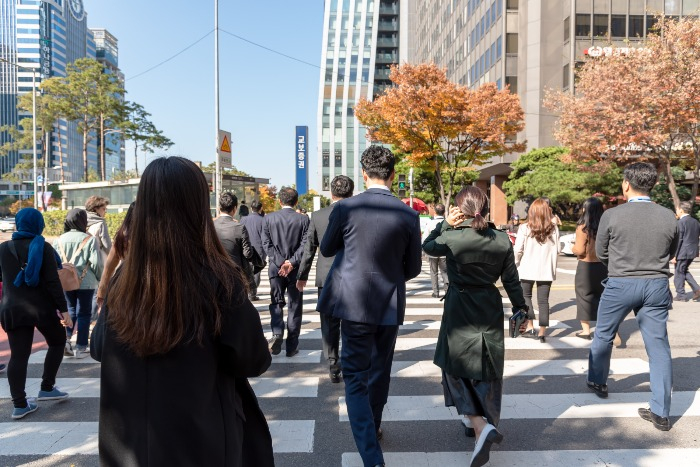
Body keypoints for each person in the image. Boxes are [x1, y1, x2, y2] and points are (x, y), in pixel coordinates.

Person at [93, 156, 273, 466]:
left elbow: (99, 348)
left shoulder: (125, 278)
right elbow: (254, 358)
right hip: (201, 442)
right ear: (198, 207)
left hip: (128, 447)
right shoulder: (218, 277)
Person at [318, 146, 422, 467]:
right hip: (389, 303)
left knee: (355, 378)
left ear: (364, 173)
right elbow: (415, 267)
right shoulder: (409, 214)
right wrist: (391, 275)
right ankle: (374, 427)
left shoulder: (345, 208)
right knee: (380, 372)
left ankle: (371, 456)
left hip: (351, 303)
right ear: (393, 174)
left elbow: (326, 248)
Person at [423, 186, 528, 467]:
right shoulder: (502, 238)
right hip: (489, 305)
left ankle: (478, 424)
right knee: (487, 365)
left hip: (460, 305)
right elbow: (511, 280)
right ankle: (484, 422)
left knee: (453, 366)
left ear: (461, 208)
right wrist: (522, 308)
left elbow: (428, 247)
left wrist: (446, 223)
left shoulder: (453, 236)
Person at [587, 162, 678, 432]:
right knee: (659, 346)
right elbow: (671, 250)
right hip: (657, 284)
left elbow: (601, 252)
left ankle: (598, 381)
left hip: (620, 282)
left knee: (603, 334)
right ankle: (661, 412)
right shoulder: (668, 215)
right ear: (652, 184)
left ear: (626, 184)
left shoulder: (612, 215)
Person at [0, 208, 72, 419]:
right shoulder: (43, 247)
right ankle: (47, 387)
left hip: (12, 308)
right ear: (39, 224)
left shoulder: (3, 248)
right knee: (58, 341)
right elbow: (52, 282)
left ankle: (20, 404)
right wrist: (64, 310)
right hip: (41, 308)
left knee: (18, 356)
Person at [297, 175, 354, 383]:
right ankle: (349, 362)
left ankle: (333, 364)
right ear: (351, 192)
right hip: (353, 276)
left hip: (326, 277)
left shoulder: (319, 215)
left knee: (329, 324)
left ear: (331, 193)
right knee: (351, 321)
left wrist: (302, 275)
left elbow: (309, 248)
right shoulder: (358, 213)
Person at [262, 187, 309, 357]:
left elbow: (266, 244)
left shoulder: (268, 219)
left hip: (276, 268)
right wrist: (291, 262)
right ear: (296, 201)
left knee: (276, 302)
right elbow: (305, 245)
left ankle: (277, 333)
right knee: (294, 306)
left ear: (280, 201)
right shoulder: (303, 220)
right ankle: (292, 346)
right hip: (295, 270)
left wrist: (281, 262)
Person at [53, 209, 103, 359]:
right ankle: (81, 347)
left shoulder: (59, 240)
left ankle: (66, 340)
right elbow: (96, 263)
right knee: (84, 313)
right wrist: (100, 279)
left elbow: (55, 263)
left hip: (66, 280)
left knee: (70, 310)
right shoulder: (89, 239)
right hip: (86, 281)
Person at [514, 198, 559, 343]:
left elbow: (518, 250)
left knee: (526, 296)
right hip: (546, 270)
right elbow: (558, 249)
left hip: (527, 268)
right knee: (543, 301)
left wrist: (515, 264)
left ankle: (530, 326)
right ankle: (542, 333)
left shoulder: (525, 228)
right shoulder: (553, 228)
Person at [572, 198, 608, 339]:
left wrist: (572, 248)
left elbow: (579, 250)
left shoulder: (583, 227)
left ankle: (586, 331)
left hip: (586, 265)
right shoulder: (605, 226)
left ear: (585, 210)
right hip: (603, 266)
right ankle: (605, 328)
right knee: (603, 297)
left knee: (583, 296)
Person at [96, 203, 135, 310]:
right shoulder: (156, 235)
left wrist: (102, 291)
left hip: (123, 280)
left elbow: (110, 264)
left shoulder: (123, 235)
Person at [85, 196, 111, 322]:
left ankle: (82, 324)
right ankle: (93, 321)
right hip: (98, 260)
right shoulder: (100, 223)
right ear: (96, 209)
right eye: (103, 209)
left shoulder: (80, 219)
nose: (105, 211)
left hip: (82, 261)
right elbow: (107, 246)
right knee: (98, 291)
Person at [214, 192, 255, 271]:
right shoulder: (240, 227)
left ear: (219, 208)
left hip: (214, 272)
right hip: (235, 272)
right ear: (235, 209)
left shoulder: (210, 226)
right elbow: (248, 253)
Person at [672, 201, 700, 301]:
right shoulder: (695, 222)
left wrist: (674, 255)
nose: (676, 212)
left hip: (683, 251)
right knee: (683, 271)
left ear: (681, 210)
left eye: (677, 210)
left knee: (679, 273)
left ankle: (681, 295)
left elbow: (679, 239)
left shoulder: (681, 222)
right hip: (692, 251)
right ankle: (697, 289)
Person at [422, 204, 449, 298]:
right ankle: (447, 291)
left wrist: (425, 251)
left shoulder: (430, 223)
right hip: (444, 252)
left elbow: (424, 238)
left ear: (435, 212)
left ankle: (436, 292)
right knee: (445, 272)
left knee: (434, 272)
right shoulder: (448, 223)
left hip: (432, 251)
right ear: (444, 212)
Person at [241, 200, 266, 301]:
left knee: (246, 270)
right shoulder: (263, 220)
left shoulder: (243, 219)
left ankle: (247, 291)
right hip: (259, 249)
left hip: (245, 247)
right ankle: (252, 293)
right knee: (256, 271)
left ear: (251, 208)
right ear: (260, 209)